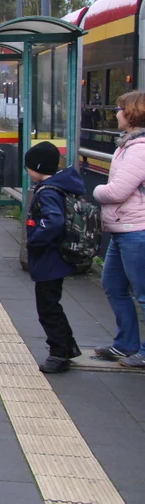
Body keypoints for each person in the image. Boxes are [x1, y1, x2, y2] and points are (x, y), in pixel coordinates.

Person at [91, 90, 145, 367]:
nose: (115, 113)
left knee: (143, 293)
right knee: (113, 285)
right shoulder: (127, 144)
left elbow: (117, 190)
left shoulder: (139, 148)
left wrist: (97, 191)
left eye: (119, 108)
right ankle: (125, 344)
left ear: (132, 113)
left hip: (137, 230)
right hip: (123, 229)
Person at [23, 141, 83, 373]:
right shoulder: (60, 186)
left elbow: (53, 221)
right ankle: (67, 347)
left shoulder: (47, 192)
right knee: (52, 305)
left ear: (37, 167)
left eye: (29, 167)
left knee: (48, 308)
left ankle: (58, 353)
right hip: (56, 258)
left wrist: (35, 239)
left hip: (49, 258)